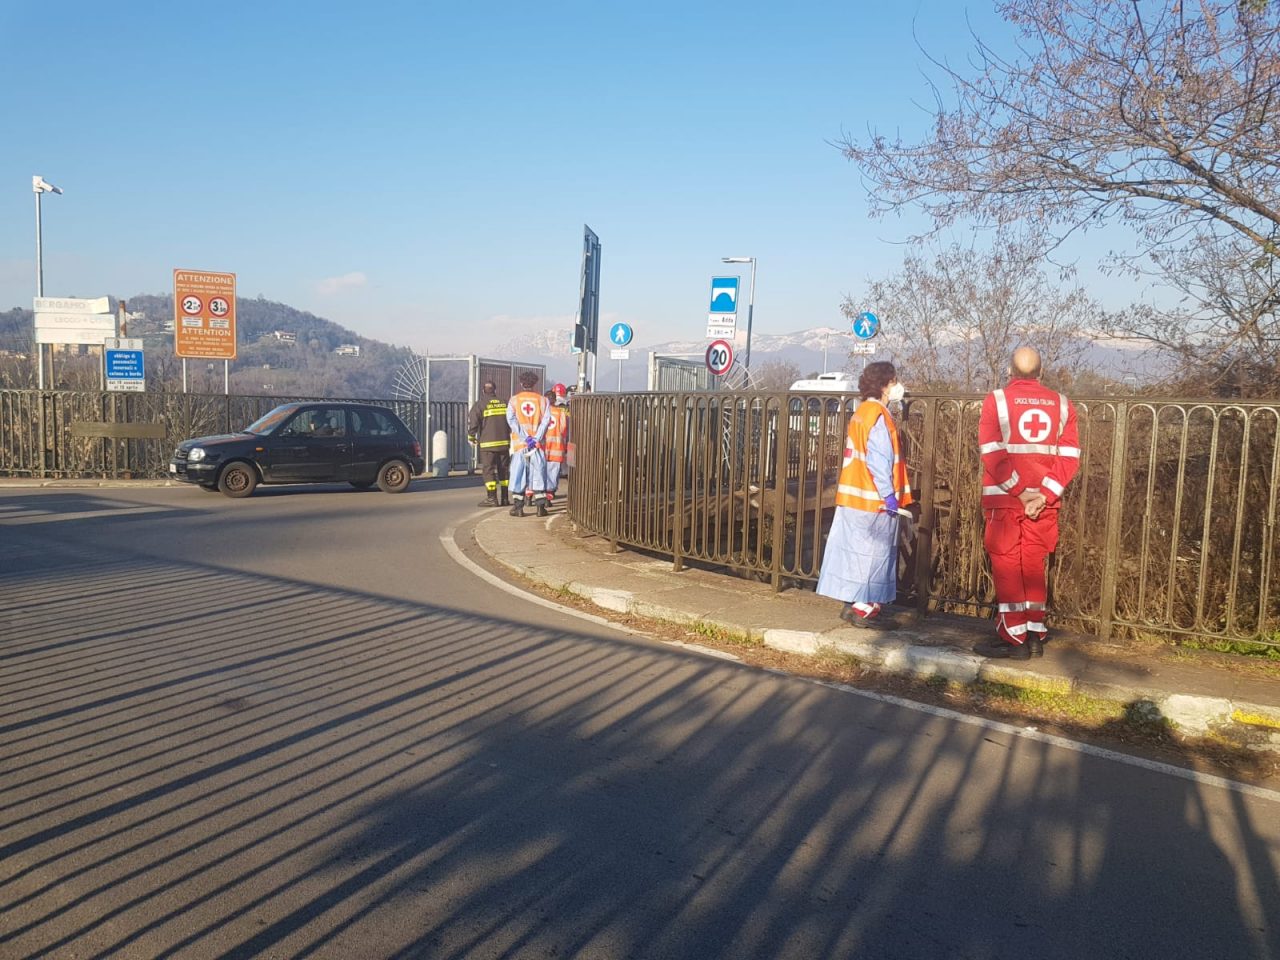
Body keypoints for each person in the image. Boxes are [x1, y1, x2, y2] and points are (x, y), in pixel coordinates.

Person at [974, 346, 1080, 659]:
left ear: (1009, 371)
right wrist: (1043, 495)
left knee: (1007, 564)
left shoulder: (996, 400)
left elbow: (993, 452)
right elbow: (1070, 458)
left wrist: (1020, 492)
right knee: (1034, 566)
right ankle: (1035, 630)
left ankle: (1013, 636)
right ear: (1041, 373)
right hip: (1044, 504)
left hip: (1005, 500)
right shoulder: (1062, 404)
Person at [816, 361, 913, 628]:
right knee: (875, 556)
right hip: (874, 500)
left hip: (853, 497)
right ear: (885, 385)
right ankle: (865, 608)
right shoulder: (879, 416)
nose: (897, 387)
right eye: (894, 381)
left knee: (855, 554)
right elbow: (879, 460)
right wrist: (889, 497)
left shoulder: (861, 412)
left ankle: (853, 604)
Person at [506, 370, 552, 517]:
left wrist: (525, 438)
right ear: (534, 384)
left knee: (518, 474)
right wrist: (536, 438)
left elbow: (511, 420)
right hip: (536, 445)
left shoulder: (514, 400)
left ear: (521, 383)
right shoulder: (543, 400)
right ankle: (540, 508)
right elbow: (546, 421)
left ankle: (518, 508)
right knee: (538, 473)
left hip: (521, 445)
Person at [467, 380, 511, 507]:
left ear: (483, 391)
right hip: (504, 443)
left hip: (488, 444)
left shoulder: (480, 404)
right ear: (495, 390)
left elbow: (473, 422)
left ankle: (492, 498)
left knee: (489, 470)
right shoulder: (504, 402)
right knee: (504, 470)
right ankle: (504, 498)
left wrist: (471, 435)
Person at [541, 385, 569, 507]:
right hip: (556, 448)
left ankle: (533, 495)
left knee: (540, 472)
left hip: (542, 448)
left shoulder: (541, 412)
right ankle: (549, 496)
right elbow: (563, 430)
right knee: (552, 474)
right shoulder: (560, 412)